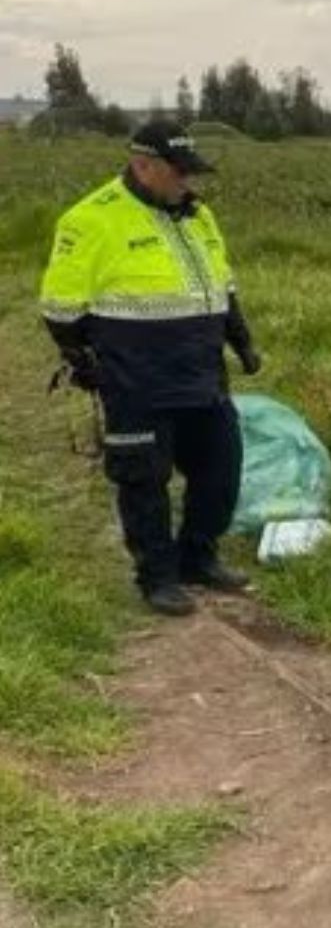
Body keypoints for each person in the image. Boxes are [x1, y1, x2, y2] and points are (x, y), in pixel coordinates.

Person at [39, 120, 260, 617]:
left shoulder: (197, 216)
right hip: (135, 378)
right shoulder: (91, 219)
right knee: (144, 480)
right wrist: (83, 362)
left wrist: (241, 341)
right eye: (179, 173)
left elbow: (223, 286)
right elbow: (58, 306)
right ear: (143, 166)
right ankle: (157, 576)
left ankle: (198, 558)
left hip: (202, 372)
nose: (189, 182)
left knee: (221, 469)